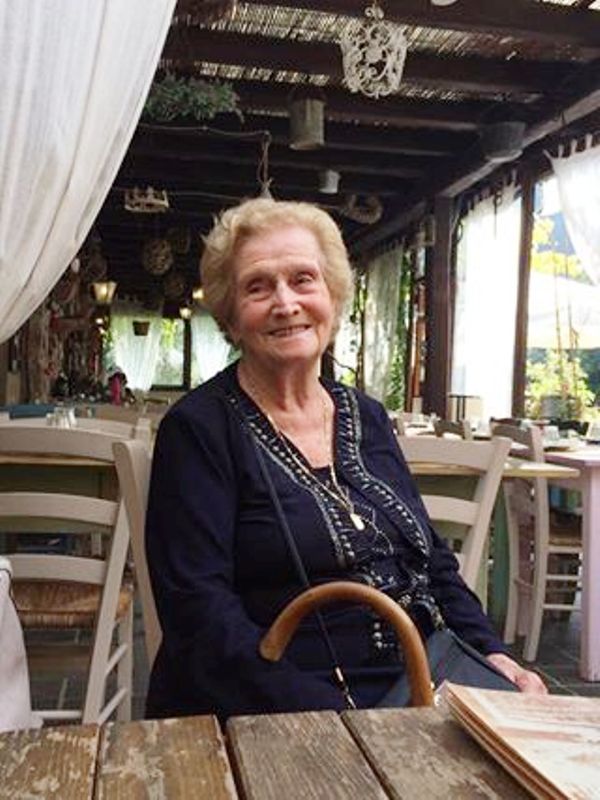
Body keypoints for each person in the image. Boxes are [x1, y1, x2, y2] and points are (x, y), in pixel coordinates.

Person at [145, 198, 546, 721]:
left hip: (421, 680)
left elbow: (431, 561)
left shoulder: (366, 415)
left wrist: (490, 653)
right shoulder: (198, 429)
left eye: (303, 280)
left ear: (332, 298)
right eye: (258, 287)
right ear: (231, 317)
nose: (285, 302)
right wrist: (337, 721)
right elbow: (199, 616)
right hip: (280, 703)